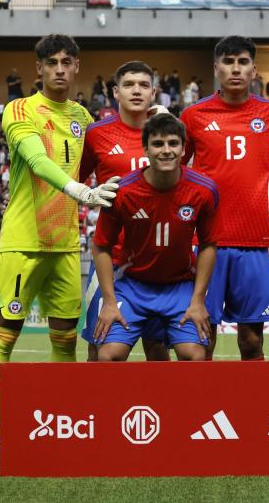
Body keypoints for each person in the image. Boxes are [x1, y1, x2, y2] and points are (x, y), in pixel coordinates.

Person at [0, 34, 120, 469]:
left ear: (77, 67)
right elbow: (38, 160)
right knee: (5, 336)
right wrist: (78, 189)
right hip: (24, 243)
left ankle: (64, 427)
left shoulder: (82, 116)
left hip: (64, 246)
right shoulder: (18, 110)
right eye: (51, 62)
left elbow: (116, 154)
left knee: (63, 343)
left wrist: (150, 119)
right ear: (37, 68)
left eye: (67, 61)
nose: (59, 68)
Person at [180, 36, 269, 361]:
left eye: (243, 62)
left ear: (255, 70)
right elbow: (177, 173)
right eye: (228, 62)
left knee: (252, 342)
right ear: (216, 69)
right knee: (203, 339)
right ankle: (201, 408)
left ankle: (253, 408)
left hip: (256, 242)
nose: (236, 69)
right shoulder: (194, 115)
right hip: (208, 242)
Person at [92, 113, 218, 362]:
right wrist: (108, 301)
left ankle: (183, 403)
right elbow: (101, 247)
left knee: (194, 355)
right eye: (158, 144)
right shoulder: (123, 191)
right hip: (132, 287)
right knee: (107, 355)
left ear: (184, 149)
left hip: (179, 287)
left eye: (173, 143)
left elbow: (208, 245)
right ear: (146, 149)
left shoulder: (204, 190)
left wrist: (198, 300)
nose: (166, 150)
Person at [79, 60, 171, 363]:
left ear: (154, 92)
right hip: (111, 256)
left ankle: (166, 410)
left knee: (157, 348)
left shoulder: (168, 135)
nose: (136, 91)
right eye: (129, 85)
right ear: (115, 92)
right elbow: (77, 184)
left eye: (144, 85)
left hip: (158, 258)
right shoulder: (96, 134)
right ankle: (95, 410)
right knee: (100, 343)